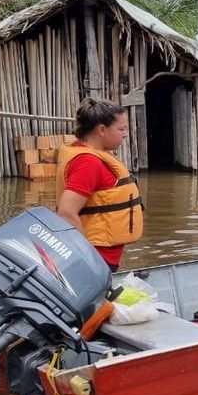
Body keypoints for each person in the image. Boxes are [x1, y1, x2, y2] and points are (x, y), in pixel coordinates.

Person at [56, 98, 144, 271]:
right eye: (121, 129)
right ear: (102, 130)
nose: (125, 134)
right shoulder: (88, 163)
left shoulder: (92, 155)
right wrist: (89, 261)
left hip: (103, 257)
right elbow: (66, 212)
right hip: (95, 260)